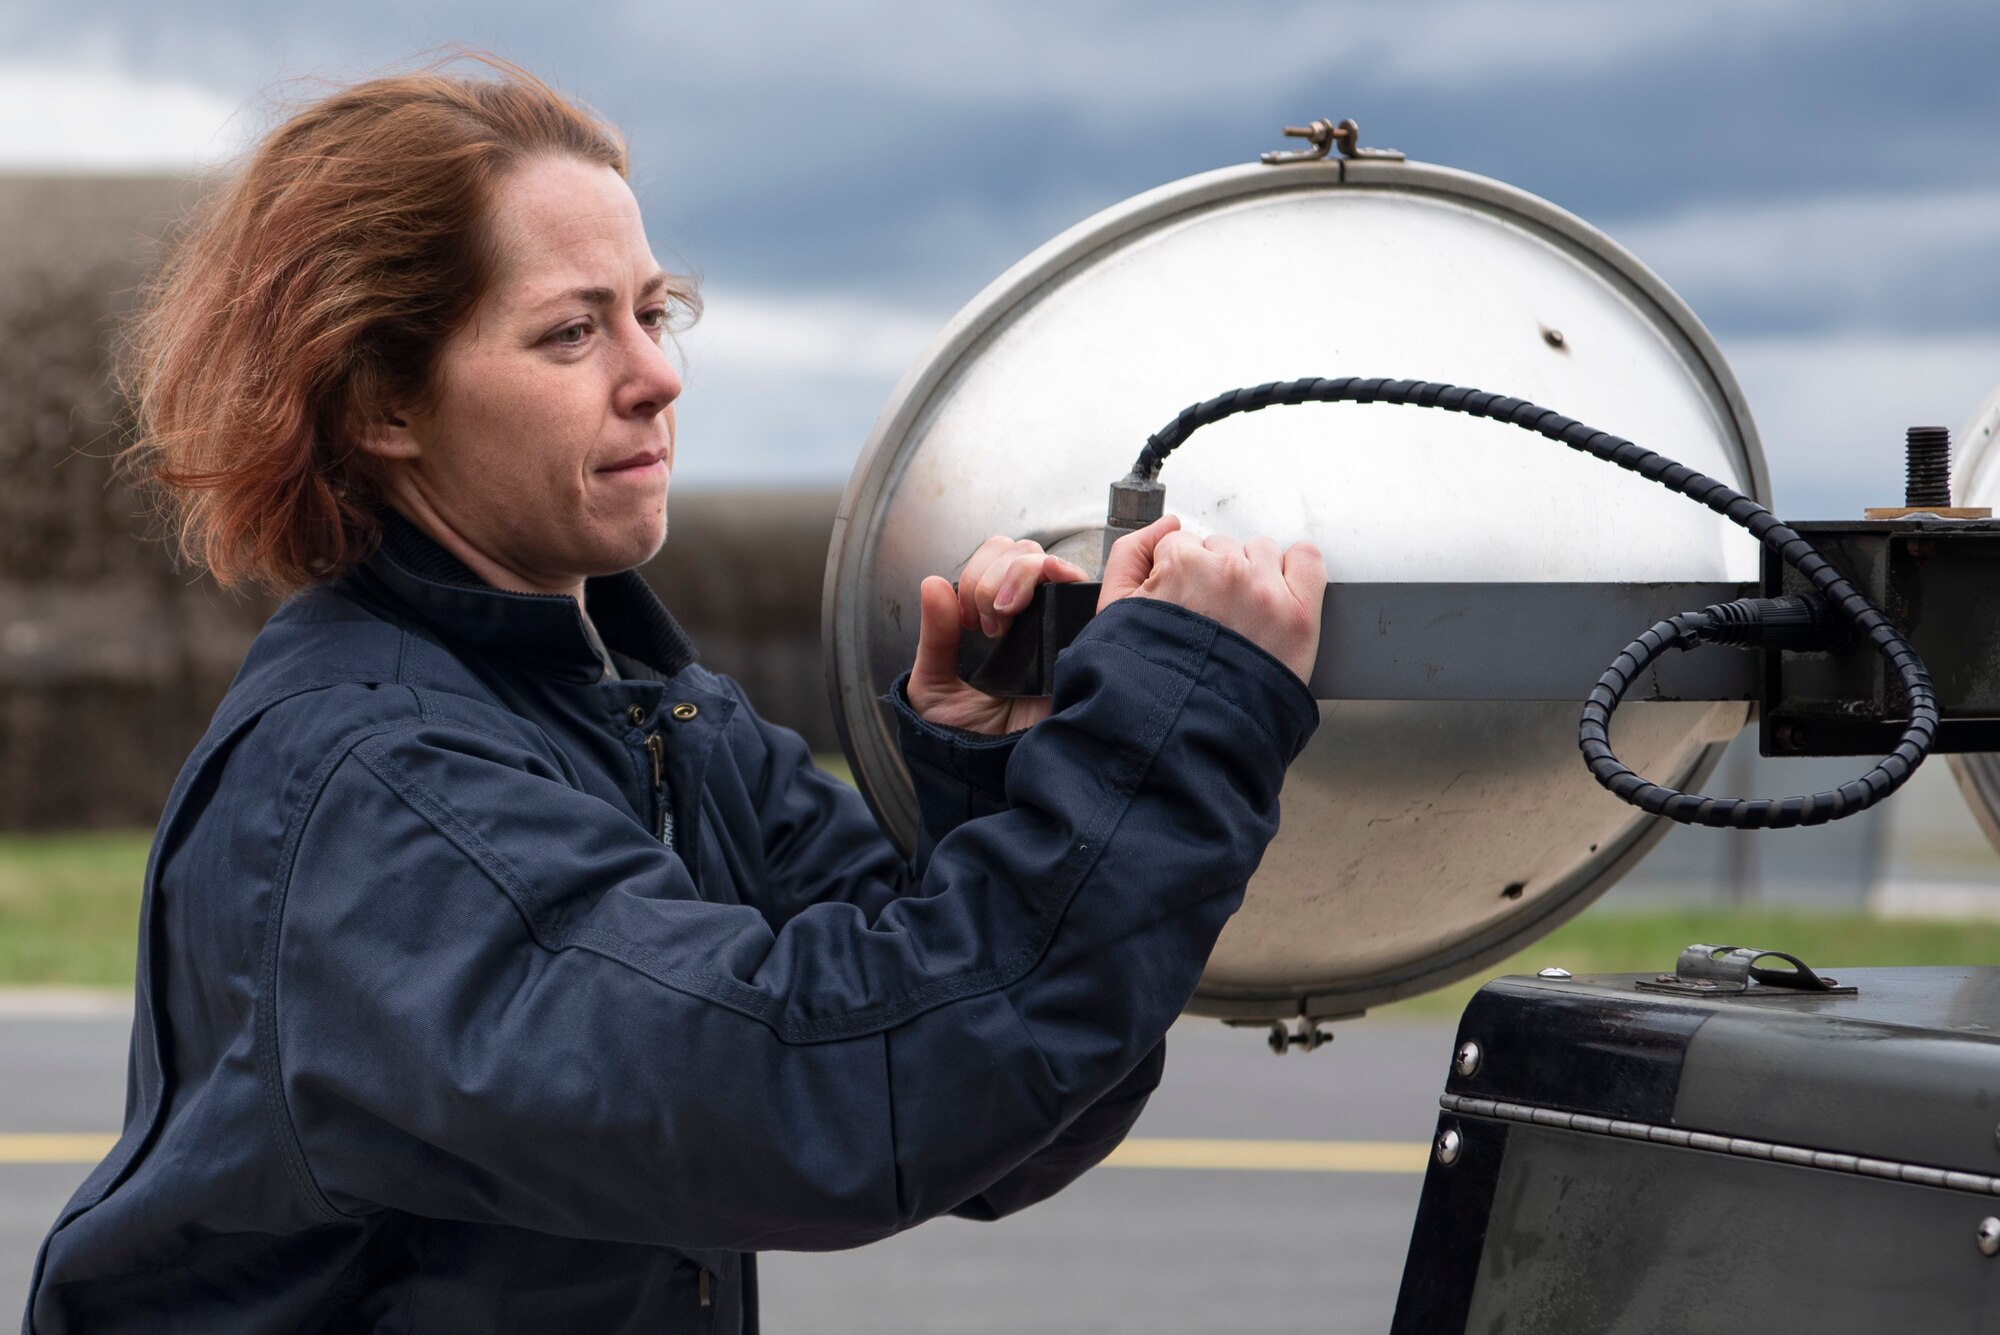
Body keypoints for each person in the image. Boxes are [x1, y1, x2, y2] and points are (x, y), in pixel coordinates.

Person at [25, 57, 1325, 1334]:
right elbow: (818, 1099)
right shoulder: (388, 790)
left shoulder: (659, 721)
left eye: (656, 311)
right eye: (572, 331)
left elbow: (991, 1113)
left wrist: (987, 770)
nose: (657, 376)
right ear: (383, 404)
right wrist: (1175, 718)